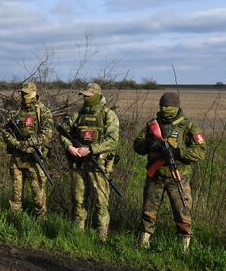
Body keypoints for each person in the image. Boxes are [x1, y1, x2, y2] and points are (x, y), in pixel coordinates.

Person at [133, 92, 206, 250]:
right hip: (155, 176)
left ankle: (183, 247)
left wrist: (178, 153)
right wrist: (148, 145)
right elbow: (137, 144)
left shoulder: (188, 126)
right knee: (148, 211)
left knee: (182, 213)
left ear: (176, 107)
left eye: (168, 106)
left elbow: (200, 151)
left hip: (178, 177)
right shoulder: (153, 125)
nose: (165, 109)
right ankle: (143, 242)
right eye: (162, 106)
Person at [60, 82, 119, 241]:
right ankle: (78, 236)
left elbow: (112, 141)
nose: (85, 98)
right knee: (78, 201)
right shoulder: (77, 115)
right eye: (84, 95)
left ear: (97, 95)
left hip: (98, 165)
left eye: (88, 95)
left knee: (101, 203)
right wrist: (69, 147)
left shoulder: (108, 115)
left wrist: (91, 149)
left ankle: (102, 237)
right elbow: (62, 132)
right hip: (78, 165)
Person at [2, 82, 54, 219]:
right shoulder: (16, 112)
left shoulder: (43, 111)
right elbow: (6, 131)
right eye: (22, 93)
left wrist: (30, 143)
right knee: (16, 195)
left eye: (26, 92)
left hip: (34, 158)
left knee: (38, 196)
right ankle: (15, 220)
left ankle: (42, 223)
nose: (24, 95)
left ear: (34, 93)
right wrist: (17, 144)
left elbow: (47, 133)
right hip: (17, 158)